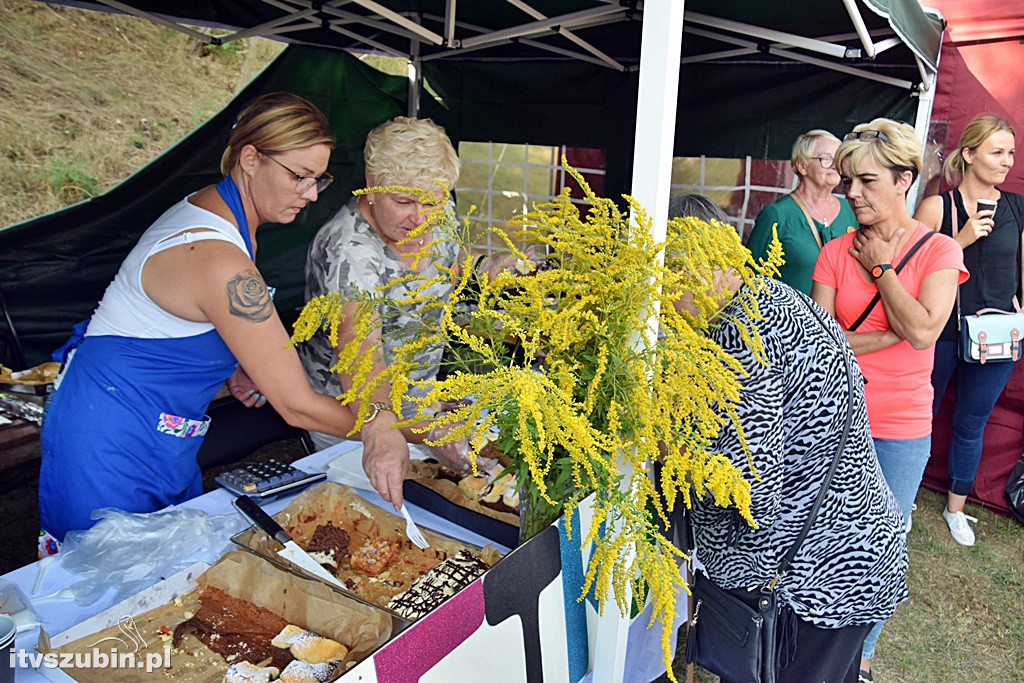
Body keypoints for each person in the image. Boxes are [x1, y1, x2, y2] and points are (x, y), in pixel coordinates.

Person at [39, 93, 409, 545]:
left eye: (319, 178)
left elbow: (183, 316)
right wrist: (385, 428)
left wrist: (234, 362)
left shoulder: (225, 216)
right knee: (103, 589)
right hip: (108, 440)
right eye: (300, 176)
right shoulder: (219, 256)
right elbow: (296, 406)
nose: (311, 194)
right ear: (250, 158)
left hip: (161, 434)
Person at [677, 213, 909, 682]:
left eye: (666, 289)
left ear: (697, 270)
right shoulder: (779, 300)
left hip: (813, 580)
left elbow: (745, 489)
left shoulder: (739, 339)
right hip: (855, 550)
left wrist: (670, 451)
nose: (664, 309)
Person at [810, 118, 968, 681]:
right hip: (831, 414)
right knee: (823, 534)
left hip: (900, 424)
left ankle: (863, 652)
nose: (850, 192)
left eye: (866, 181)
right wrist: (891, 332)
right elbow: (819, 336)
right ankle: (812, 640)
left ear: (904, 180)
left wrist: (879, 271)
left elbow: (925, 334)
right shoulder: (832, 250)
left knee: (880, 543)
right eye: (846, 180)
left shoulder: (941, 251)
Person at [299, 116, 465, 507]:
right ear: (372, 183)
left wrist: (487, 266)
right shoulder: (349, 250)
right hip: (356, 417)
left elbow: (452, 260)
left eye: (434, 200)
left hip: (419, 404)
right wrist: (381, 427)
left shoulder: (433, 212)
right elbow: (360, 343)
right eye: (404, 201)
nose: (420, 218)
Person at [914, 114, 1023, 546]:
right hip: (940, 330)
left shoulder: (1016, 206)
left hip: (997, 335)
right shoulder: (938, 206)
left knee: (972, 422)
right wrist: (959, 239)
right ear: (970, 153)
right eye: (997, 152)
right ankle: (898, 500)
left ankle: (955, 508)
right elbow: (911, 270)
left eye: (1011, 153)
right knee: (920, 417)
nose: (1007, 162)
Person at [746, 130, 858, 294]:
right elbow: (749, 277)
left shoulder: (851, 209)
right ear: (802, 166)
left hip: (840, 319)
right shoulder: (777, 215)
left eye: (838, 159)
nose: (834, 165)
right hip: (791, 318)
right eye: (825, 159)